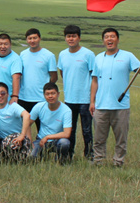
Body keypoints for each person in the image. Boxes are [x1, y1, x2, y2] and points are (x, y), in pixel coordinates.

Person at [90, 28, 140, 167]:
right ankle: (98, 162)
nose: (109, 39)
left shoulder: (127, 56)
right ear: (103, 41)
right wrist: (92, 102)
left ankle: (118, 162)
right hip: (101, 105)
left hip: (120, 106)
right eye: (106, 37)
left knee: (121, 139)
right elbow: (94, 81)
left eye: (112, 36)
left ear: (118, 40)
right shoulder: (98, 58)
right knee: (99, 138)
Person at [57, 25, 95, 160]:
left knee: (87, 130)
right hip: (69, 99)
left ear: (79, 38)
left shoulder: (88, 54)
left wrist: (92, 99)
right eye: (68, 36)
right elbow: (62, 72)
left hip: (85, 99)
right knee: (70, 130)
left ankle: (89, 156)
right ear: (65, 38)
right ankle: (68, 155)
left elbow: (94, 77)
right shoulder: (62, 54)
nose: (71, 39)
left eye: (74, 36)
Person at [18, 28, 57, 122]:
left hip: (41, 99)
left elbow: (54, 76)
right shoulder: (22, 55)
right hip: (23, 97)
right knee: (24, 126)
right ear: (26, 40)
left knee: (42, 126)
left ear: (39, 38)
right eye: (30, 38)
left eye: (35, 38)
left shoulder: (49, 55)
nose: (32, 41)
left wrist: (46, 90)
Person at [28, 83, 72, 163]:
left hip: (57, 140)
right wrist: (30, 141)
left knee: (64, 143)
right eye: (47, 94)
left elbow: (67, 133)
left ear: (58, 94)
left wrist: (48, 137)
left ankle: (60, 160)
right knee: (31, 156)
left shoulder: (66, 111)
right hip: (41, 140)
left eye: (53, 93)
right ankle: (42, 155)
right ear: (44, 95)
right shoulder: (39, 106)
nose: (50, 96)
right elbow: (27, 124)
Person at [0, 82, 32, 162]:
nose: (0, 96)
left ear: (8, 94)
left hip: (16, 137)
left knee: (15, 148)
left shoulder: (13, 106)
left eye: (3, 93)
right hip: (1, 139)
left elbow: (26, 115)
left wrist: (22, 135)